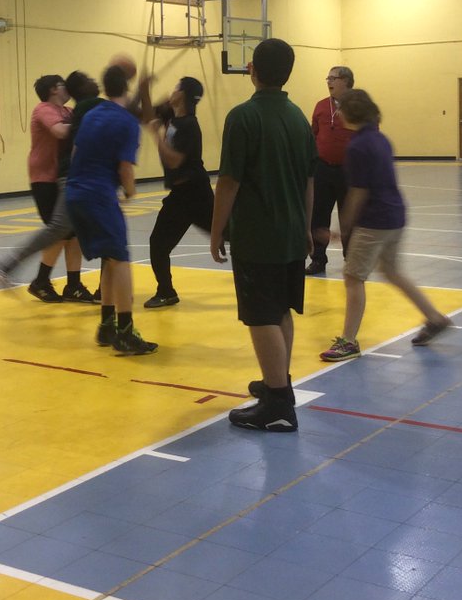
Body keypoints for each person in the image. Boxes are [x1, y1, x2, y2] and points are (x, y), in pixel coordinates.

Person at [211, 38, 316, 433]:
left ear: (251, 69)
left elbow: (228, 181)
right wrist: (306, 226)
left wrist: (217, 229)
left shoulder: (243, 117)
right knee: (281, 310)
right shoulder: (298, 117)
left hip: (259, 233)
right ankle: (278, 384)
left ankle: (278, 404)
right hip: (291, 230)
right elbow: (309, 179)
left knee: (260, 315)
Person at [319, 89, 454, 362]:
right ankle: (435, 317)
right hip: (396, 216)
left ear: (350, 112)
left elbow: (358, 193)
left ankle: (348, 341)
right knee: (392, 271)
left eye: (341, 108)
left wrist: (342, 227)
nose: (339, 113)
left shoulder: (356, 146)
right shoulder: (381, 139)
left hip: (374, 221)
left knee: (353, 277)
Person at [66, 64, 157, 356]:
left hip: (74, 191)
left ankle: (106, 325)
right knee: (121, 259)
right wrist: (130, 192)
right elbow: (125, 167)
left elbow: (75, 153)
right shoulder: (127, 122)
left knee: (110, 258)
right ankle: (126, 331)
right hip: (98, 194)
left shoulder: (92, 114)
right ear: (126, 88)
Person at [0, 72, 99, 303]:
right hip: (44, 178)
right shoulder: (44, 109)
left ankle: (70, 284)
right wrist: (90, 118)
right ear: (53, 90)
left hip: (63, 177)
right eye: (62, 85)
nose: (67, 89)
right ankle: (11, 266)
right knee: (58, 229)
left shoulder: (68, 111)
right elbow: (60, 131)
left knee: (71, 233)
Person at [143, 76, 214, 309]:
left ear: (182, 94)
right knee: (158, 243)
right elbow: (146, 114)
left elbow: (173, 161)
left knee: (230, 234)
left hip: (195, 193)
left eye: (175, 87)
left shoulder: (189, 126)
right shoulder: (172, 116)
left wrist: (156, 135)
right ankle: (166, 291)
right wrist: (144, 87)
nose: (171, 91)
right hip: (180, 195)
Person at [306, 65, 355, 276]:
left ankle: (351, 260)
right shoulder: (321, 106)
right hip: (323, 169)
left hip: (349, 172)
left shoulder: (358, 106)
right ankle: (318, 259)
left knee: (349, 217)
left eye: (333, 78)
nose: (329, 82)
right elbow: (313, 134)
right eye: (328, 78)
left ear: (346, 81)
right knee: (318, 216)